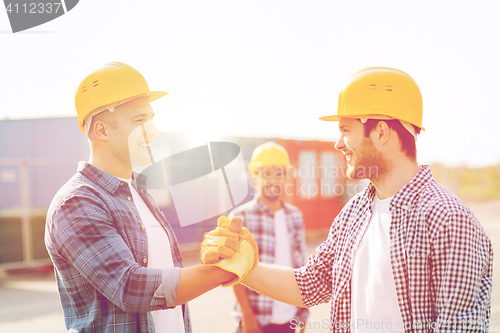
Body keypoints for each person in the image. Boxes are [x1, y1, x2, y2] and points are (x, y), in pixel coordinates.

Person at [202, 67, 493, 332]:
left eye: (346, 130)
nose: (338, 143)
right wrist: (246, 267)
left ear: (380, 132)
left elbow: (459, 328)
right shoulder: (354, 213)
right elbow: (311, 283)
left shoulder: (448, 219)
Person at [44, 62, 252, 333]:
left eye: (152, 118)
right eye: (139, 120)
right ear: (102, 130)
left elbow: (164, 277)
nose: (153, 131)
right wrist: (228, 268)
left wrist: (211, 259)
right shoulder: (76, 203)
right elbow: (130, 287)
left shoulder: (139, 193)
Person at [229, 142, 309, 333]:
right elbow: (234, 271)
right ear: (255, 177)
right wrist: (247, 315)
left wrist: (303, 312)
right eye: (266, 173)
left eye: (279, 173)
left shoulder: (295, 216)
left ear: (287, 177)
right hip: (256, 320)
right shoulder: (241, 218)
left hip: (290, 319)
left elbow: (300, 267)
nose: (273, 180)